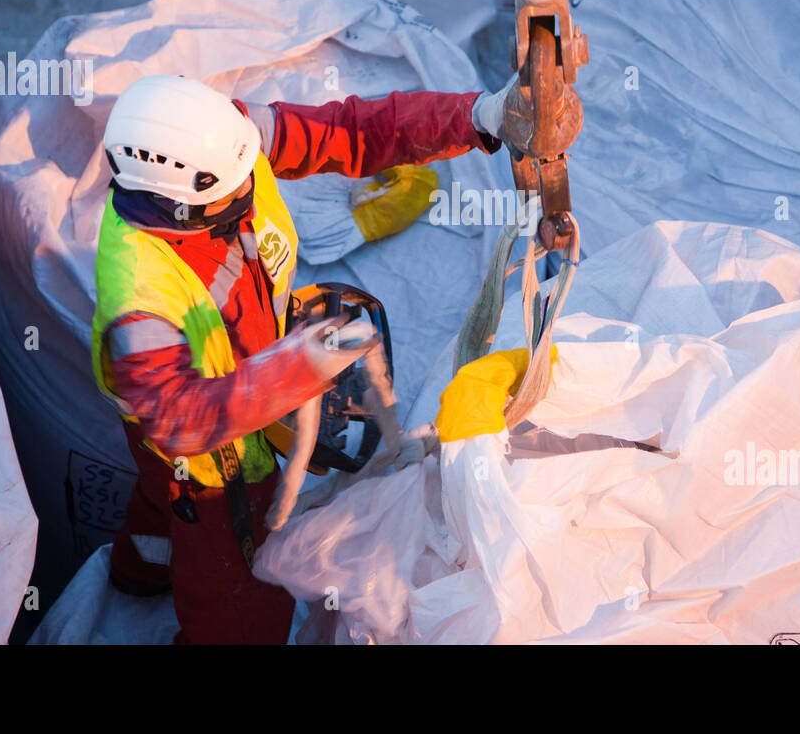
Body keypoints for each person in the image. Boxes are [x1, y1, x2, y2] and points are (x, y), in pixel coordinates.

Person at [90, 73, 512, 644]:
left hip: (218, 401)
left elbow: (350, 129)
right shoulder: (141, 299)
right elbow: (179, 419)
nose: (254, 187)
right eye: (233, 193)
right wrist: (296, 368)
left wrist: (479, 117)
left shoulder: (226, 143)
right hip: (218, 468)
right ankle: (191, 575)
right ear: (178, 203)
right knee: (236, 603)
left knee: (159, 502)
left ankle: (140, 571)